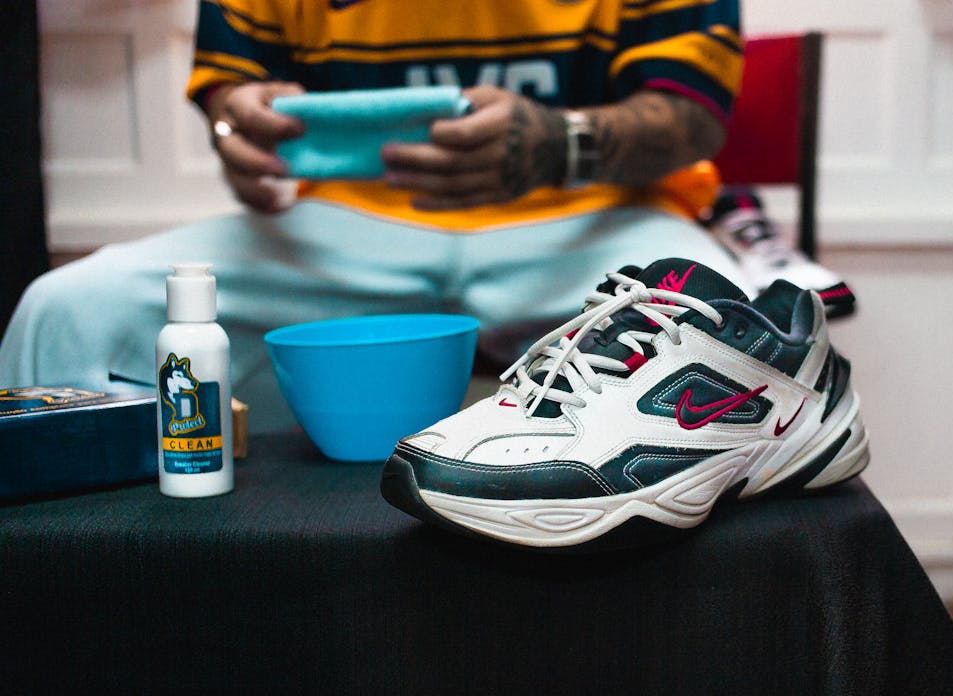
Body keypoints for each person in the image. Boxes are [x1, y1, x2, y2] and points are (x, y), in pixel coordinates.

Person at [0, 0, 747, 430]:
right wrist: (239, 129)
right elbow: (234, 90)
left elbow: (695, 114)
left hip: (592, 218)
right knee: (68, 311)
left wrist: (563, 142)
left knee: (753, 334)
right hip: (344, 225)